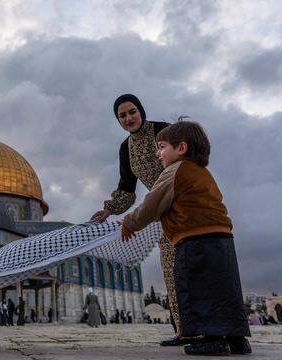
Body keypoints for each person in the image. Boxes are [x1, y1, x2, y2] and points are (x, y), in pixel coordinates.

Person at [120, 121, 251, 356]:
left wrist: (130, 222)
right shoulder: (202, 172)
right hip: (222, 240)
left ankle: (212, 339)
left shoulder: (174, 170)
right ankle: (237, 339)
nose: (158, 154)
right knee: (224, 290)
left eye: (161, 148)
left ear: (181, 148)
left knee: (196, 289)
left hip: (193, 241)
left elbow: (152, 203)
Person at [89, 94, 183, 346]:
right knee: (172, 271)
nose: (128, 118)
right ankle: (184, 329)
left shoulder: (163, 130)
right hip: (162, 213)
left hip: (184, 202)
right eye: (122, 115)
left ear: (141, 111)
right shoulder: (125, 148)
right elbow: (127, 190)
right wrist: (109, 209)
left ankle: (212, 327)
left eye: (132, 112)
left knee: (194, 264)